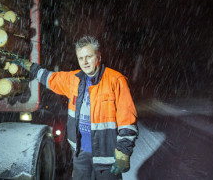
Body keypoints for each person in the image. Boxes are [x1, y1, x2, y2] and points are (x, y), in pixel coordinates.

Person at [15, 36, 138, 180]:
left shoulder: (116, 81)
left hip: (106, 157)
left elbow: (128, 120)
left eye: (88, 57)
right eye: (81, 58)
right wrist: (31, 68)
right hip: (80, 155)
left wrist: (123, 152)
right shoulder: (73, 80)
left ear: (98, 56)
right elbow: (51, 78)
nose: (84, 62)